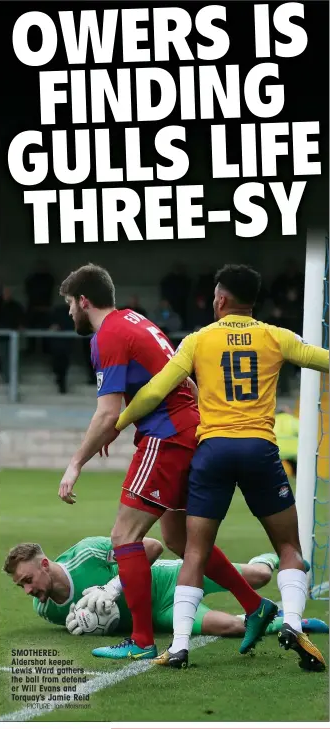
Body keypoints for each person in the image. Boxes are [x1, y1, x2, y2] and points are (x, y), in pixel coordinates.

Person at [113, 263, 329, 671]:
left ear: (221, 299)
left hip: (211, 452)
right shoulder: (275, 336)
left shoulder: (199, 340)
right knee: (289, 548)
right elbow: (322, 359)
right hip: (260, 450)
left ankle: (178, 647)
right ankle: (294, 623)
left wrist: (119, 425)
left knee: (194, 551)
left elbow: (157, 389)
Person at [58, 263, 276, 660]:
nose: (70, 312)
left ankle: (141, 641)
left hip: (168, 436)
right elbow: (185, 378)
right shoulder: (137, 321)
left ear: (84, 300)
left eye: (70, 304)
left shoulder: (107, 335)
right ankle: (256, 605)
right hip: (191, 431)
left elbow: (106, 412)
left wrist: (75, 464)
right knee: (177, 539)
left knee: (125, 536)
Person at [3, 538, 327, 643]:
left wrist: (112, 588)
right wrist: (96, 625)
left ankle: (271, 558)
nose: (27, 590)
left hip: (169, 579)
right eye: (21, 586)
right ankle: (288, 622)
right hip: (159, 615)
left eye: (27, 580)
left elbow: (154, 547)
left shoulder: (88, 553)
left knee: (257, 577)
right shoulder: (46, 610)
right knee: (230, 626)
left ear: (44, 565)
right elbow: (108, 622)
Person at [274, 407, 299, 477]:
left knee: (272, 467)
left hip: (276, 450)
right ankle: (298, 478)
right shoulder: (293, 420)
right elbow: (303, 433)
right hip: (292, 452)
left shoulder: (273, 420)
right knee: (296, 467)